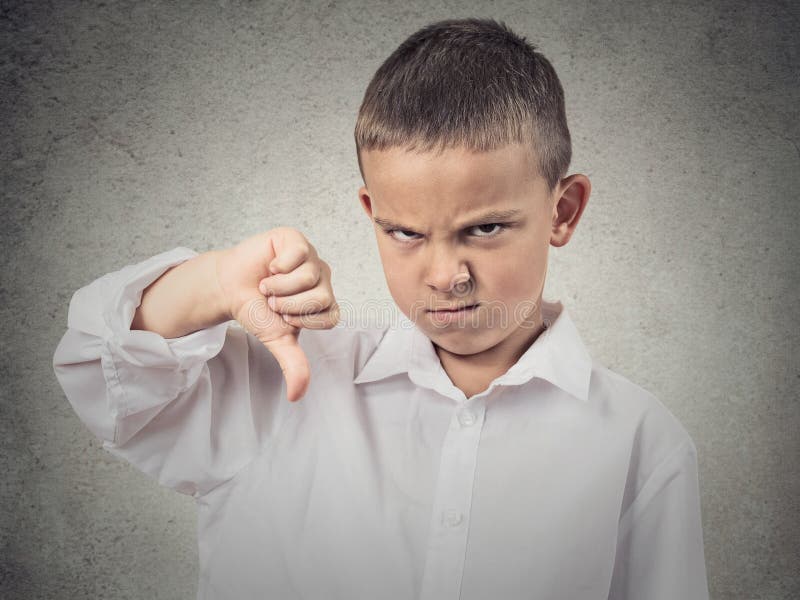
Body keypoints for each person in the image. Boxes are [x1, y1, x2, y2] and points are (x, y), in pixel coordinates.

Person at [52, 17, 710, 600]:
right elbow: (99, 371)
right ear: (372, 213)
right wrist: (217, 281)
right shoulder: (278, 389)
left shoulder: (640, 445)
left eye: (484, 229)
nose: (446, 276)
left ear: (562, 212)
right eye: (406, 233)